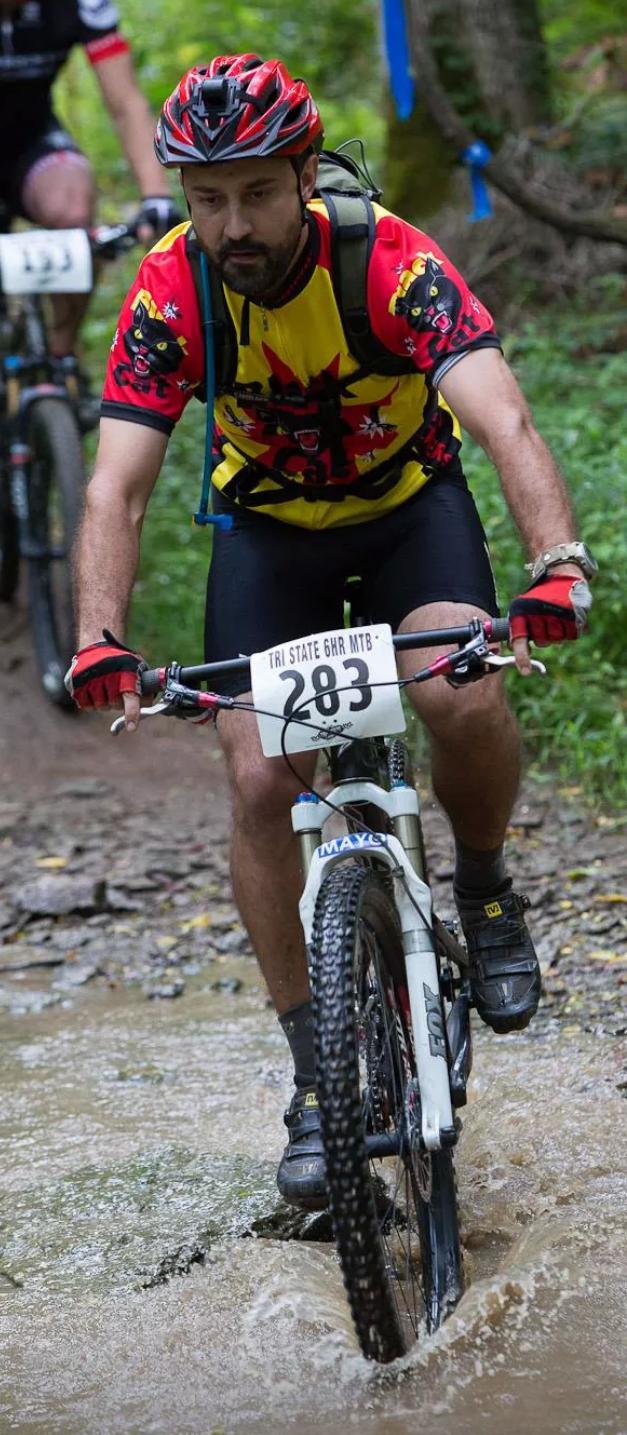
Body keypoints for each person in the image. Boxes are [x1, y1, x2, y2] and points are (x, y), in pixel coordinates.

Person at [67, 54, 597, 1210]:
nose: (233, 225)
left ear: (307, 177)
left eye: (258, 193)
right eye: (208, 199)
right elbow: (117, 487)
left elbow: (503, 418)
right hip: (270, 535)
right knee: (262, 780)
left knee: (459, 690)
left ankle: (486, 889)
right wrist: (100, 637)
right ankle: (318, 1077)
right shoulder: (170, 291)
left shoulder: (390, 258)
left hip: (411, 511)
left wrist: (556, 566)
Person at [0, 0, 180, 416]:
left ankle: (61, 365)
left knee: (73, 205)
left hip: (31, 142)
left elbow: (125, 101)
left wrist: (156, 196)